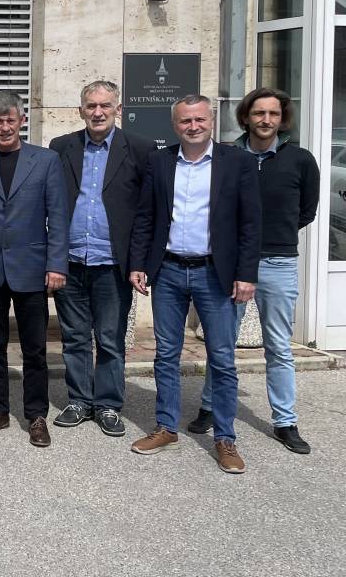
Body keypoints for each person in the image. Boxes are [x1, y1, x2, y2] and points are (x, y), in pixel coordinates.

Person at [129, 94, 260, 474]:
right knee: (166, 354)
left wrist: (246, 274)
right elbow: (146, 216)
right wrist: (138, 264)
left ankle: (225, 438)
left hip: (214, 273)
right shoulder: (160, 161)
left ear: (211, 120)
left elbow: (251, 223)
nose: (193, 126)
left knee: (222, 358)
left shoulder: (237, 162)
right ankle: (166, 427)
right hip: (169, 271)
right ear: (175, 125)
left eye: (199, 119)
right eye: (185, 121)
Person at [186, 88, 318, 453]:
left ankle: (285, 421)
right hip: (230, 263)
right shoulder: (227, 156)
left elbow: (306, 210)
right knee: (221, 341)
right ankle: (210, 406)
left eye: (273, 114)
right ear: (246, 117)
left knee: (278, 345)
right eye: (259, 113)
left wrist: (273, 236)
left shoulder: (301, 160)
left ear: (282, 118)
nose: (266, 120)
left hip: (278, 261)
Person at [0, 91, 68, 447]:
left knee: (35, 349)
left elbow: (58, 217)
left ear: (22, 121)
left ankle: (36, 415)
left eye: (10, 120)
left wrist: (56, 264)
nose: (4, 127)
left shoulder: (46, 160)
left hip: (32, 268)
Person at [48, 81, 155, 438]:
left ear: (117, 109)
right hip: (71, 260)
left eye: (105, 105)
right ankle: (79, 400)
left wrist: (139, 263)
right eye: (91, 106)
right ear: (80, 110)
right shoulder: (61, 147)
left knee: (110, 339)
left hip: (112, 263)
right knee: (75, 337)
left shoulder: (139, 149)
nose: (98, 112)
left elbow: (146, 211)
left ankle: (108, 404)